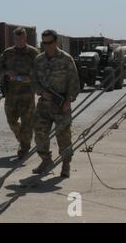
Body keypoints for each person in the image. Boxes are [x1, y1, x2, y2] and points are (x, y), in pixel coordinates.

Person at [31, 29, 80, 178]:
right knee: (39, 133)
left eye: (49, 42)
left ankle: (66, 164)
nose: (46, 46)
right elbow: (34, 80)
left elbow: (74, 83)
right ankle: (46, 160)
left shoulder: (66, 59)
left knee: (63, 136)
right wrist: (40, 91)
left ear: (56, 42)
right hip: (44, 104)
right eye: (44, 43)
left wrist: (68, 101)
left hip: (61, 105)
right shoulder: (39, 60)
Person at [0, 27, 39, 159]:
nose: (19, 41)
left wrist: (22, 78)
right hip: (11, 94)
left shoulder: (33, 53)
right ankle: (23, 141)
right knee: (12, 121)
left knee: (27, 123)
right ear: (14, 39)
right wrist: (6, 72)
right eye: (16, 38)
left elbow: (39, 73)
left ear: (25, 38)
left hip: (27, 94)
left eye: (21, 38)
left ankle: (24, 147)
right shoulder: (8, 53)